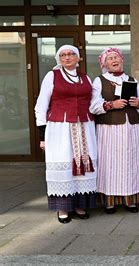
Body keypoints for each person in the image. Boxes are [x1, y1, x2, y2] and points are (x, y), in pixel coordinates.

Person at [34, 45, 96, 224]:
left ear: (78, 58)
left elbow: (93, 103)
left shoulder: (86, 78)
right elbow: (41, 105)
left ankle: (80, 205)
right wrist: (42, 133)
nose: (67, 57)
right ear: (58, 59)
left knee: (84, 165)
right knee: (64, 163)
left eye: (71, 54)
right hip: (60, 128)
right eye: (63, 55)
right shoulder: (51, 76)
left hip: (84, 127)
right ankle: (63, 207)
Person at [89, 47, 139, 214]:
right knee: (110, 163)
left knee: (131, 161)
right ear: (104, 63)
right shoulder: (99, 81)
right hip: (109, 129)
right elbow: (93, 105)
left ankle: (131, 200)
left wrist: (138, 103)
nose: (114, 60)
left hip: (131, 128)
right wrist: (110, 105)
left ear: (122, 60)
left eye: (116, 57)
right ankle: (110, 201)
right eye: (110, 58)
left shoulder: (131, 79)